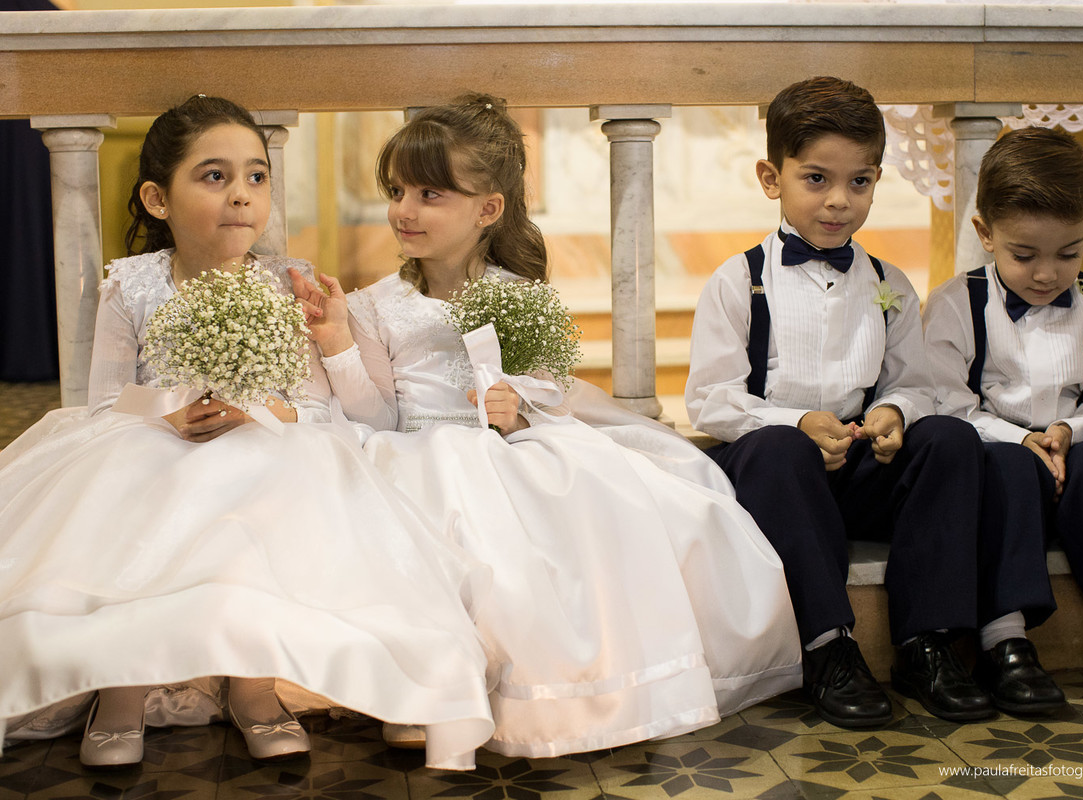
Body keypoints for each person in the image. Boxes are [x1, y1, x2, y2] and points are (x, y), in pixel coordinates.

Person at [0, 95, 493, 771]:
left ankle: (254, 687)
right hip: (153, 436)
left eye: (256, 177)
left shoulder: (292, 283)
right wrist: (167, 411)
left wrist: (258, 411)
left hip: (265, 439)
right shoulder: (132, 286)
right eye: (214, 176)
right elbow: (105, 400)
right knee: (127, 483)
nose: (242, 196)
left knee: (276, 480)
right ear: (158, 199)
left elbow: (313, 406)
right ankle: (120, 686)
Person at [291, 92, 802, 758]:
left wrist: (518, 402)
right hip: (416, 447)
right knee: (446, 516)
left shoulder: (518, 294)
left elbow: (542, 386)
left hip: (503, 445)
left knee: (587, 504)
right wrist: (335, 341)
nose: (404, 211)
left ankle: (545, 686)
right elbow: (375, 414)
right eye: (396, 191)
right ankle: (429, 685)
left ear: (487, 209)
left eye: (430, 194)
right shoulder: (377, 304)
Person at [686, 76, 993, 728]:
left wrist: (895, 413)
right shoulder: (739, 281)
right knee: (775, 451)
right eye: (817, 179)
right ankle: (828, 646)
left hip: (855, 470)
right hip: (776, 478)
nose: (839, 202)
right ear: (773, 178)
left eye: (860, 182)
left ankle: (925, 641)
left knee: (950, 438)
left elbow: (916, 382)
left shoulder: (890, 284)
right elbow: (709, 400)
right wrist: (796, 422)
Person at [923, 126, 1083, 712]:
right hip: (998, 470)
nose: (1046, 274)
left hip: (1074, 465)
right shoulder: (956, 304)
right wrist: (1023, 439)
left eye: (1069, 253)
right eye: (1024, 255)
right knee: (1006, 465)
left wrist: (1068, 433)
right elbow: (946, 404)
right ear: (985, 233)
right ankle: (1005, 639)